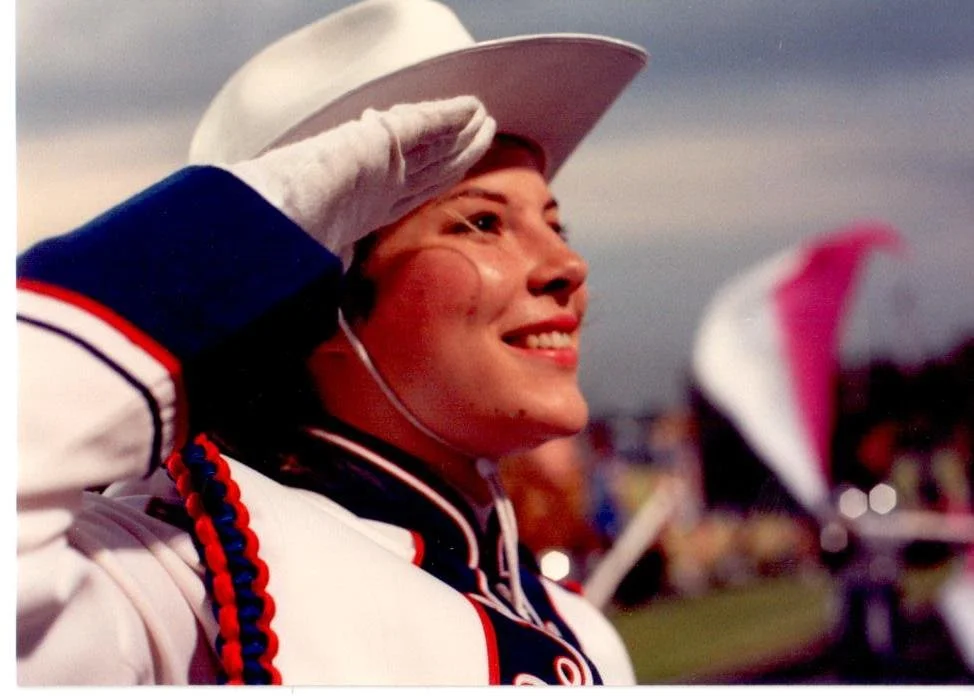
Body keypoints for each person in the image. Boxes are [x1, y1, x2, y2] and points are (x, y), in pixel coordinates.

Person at [17, 0, 647, 685]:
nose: (566, 266)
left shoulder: (581, 631)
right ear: (319, 305)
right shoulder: (173, 584)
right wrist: (243, 233)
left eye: (558, 224)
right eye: (482, 224)